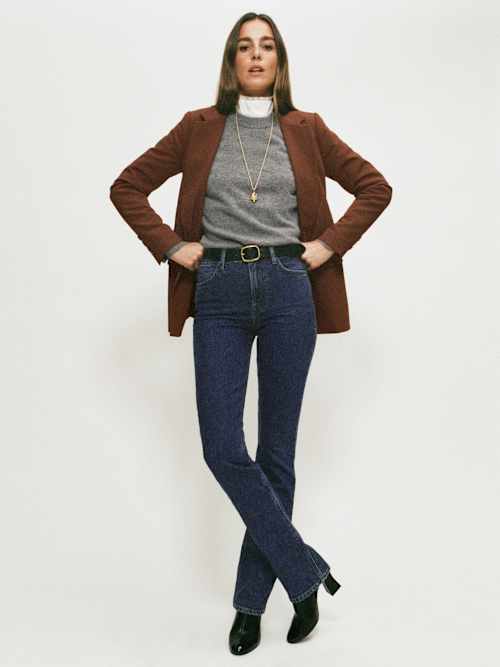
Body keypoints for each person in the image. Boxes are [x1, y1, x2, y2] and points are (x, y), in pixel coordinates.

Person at [109, 12, 392, 656]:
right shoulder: (198, 127)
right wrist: (172, 246)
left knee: (277, 455)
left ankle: (248, 606)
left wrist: (327, 245)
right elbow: (127, 187)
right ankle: (303, 569)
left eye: (267, 46)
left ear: (280, 62)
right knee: (221, 446)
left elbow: (375, 188)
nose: (256, 55)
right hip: (219, 289)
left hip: (290, 288)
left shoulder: (308, 129)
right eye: (245, 46)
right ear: (231, 61)